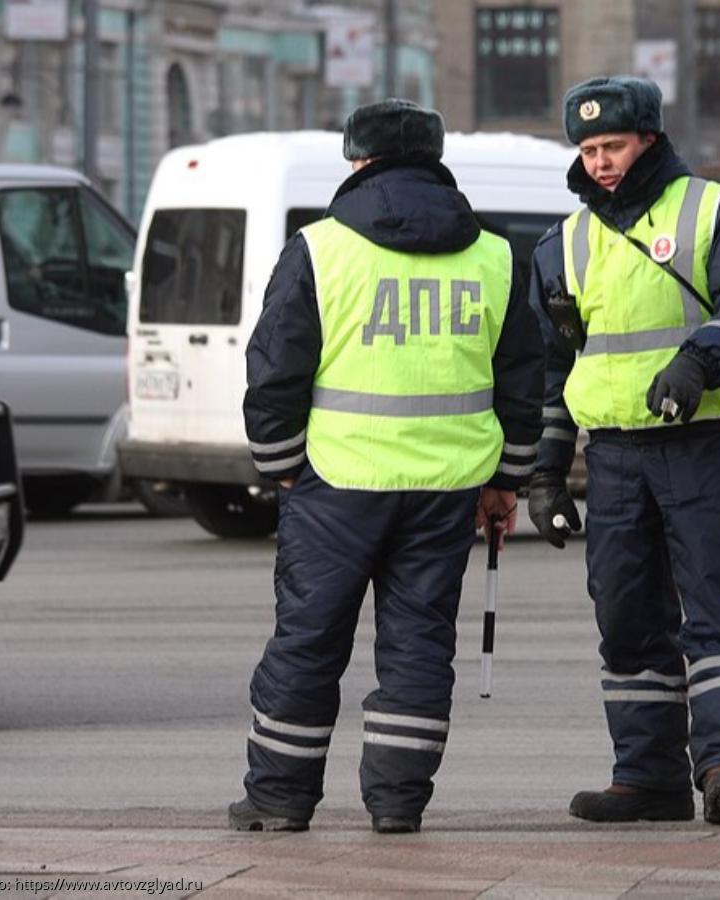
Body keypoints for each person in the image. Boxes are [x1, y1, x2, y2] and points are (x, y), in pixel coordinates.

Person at [229, 99, 544, 834]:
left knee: (308, 640)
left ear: (358, 162)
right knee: (420, 646)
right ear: (436, 161)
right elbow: (524, 377)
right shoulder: (494, 255)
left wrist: (280, 464)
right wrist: (507, 480)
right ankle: (399, 804)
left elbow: (275, 368)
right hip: (446, 488)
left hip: (337, 483)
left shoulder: (320, 247)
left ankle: (278, 800)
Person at [527, 76, 720, 825]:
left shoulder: (709, 210)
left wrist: (703, 359)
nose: (601, 161)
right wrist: (545, 473)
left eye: (613, 145)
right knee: (628, 622)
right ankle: (648, 777)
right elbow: (555, 368)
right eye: (589, 148)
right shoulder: (563, 243)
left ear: (648, 140)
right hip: (612, 459)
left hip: (702, 445)